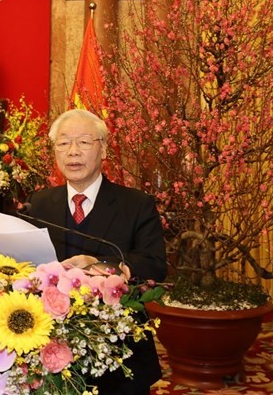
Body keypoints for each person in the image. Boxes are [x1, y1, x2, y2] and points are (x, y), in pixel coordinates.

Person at [27, 108, 167, 395]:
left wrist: (105, 266)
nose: (72, 152)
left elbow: (154, 265)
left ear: (103, 149)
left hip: (119, 352)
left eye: (83, 142)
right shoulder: (40, 203)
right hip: (50, 350)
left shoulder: (136, 204)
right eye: (63, 143)